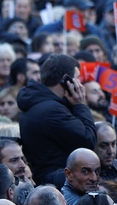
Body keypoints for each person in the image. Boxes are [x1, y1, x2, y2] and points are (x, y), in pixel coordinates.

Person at [17, 54, 96, 187]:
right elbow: (88, 141)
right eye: (77, 78)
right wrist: (81, 105)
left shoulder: (37, 103)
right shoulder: (53, 111)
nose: (80, 84)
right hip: (57, 183)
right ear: (66, 80)